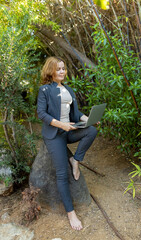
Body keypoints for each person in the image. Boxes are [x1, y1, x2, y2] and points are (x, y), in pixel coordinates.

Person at [37, 57, 97, 230]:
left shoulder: (69, 90)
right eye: (58, 69)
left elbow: (76, 114)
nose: (62, 72)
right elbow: (41, 114)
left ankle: (76, 160)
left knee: (91, 131)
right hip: (54, 135)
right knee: (62, 174)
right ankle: (71, 213)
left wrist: (90, 119)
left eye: (63, 68)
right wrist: (61, 124)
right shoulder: (45, 90)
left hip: (69, 131)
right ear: (51, 71)